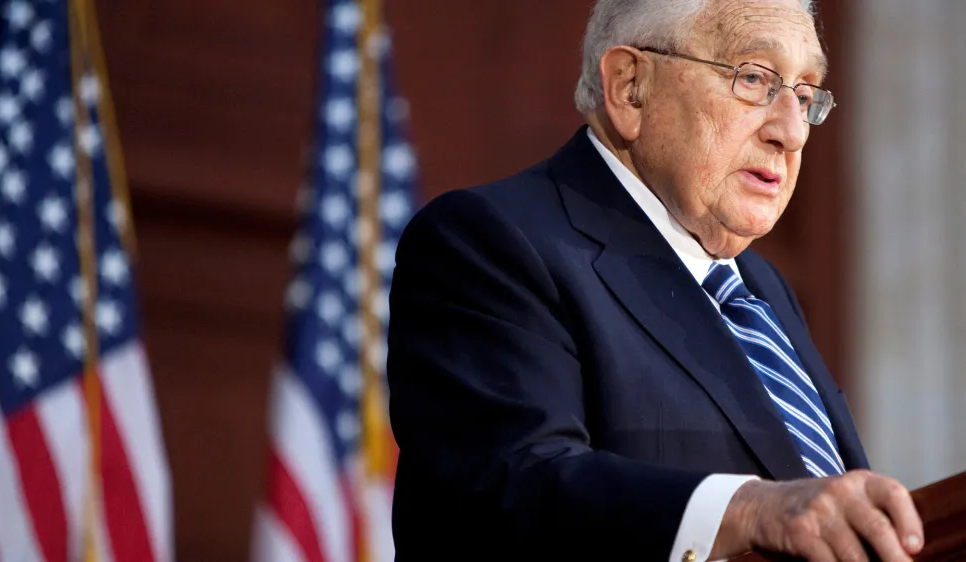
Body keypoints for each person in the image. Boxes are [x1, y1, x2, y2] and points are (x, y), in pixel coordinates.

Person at [385, 0, 924, 560]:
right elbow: (509, 491)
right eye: (754, 78)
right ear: (630, 88)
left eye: (805, 94)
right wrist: (747, 511)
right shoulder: (490, 242)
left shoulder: (762, 289)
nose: (791, 132)